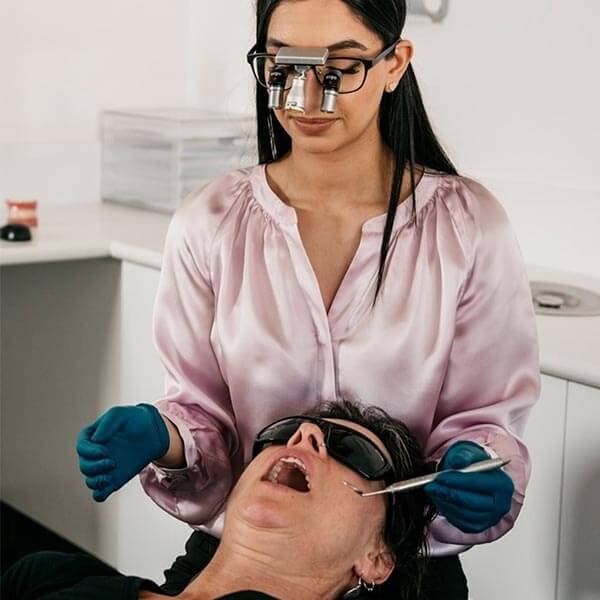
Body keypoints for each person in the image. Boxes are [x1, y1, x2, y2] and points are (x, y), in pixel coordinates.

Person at [75, 0, 540, 598]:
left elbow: (487, 420)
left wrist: (479, 465)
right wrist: (162, 438)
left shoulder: (468, 227)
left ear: (395, 64)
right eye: (282, 66)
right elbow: (201, 414)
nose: (304, 96)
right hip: (246, 555)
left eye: (339, 69)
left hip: (399, 567)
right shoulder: (209, 223)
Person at [4, 400, 437, 600]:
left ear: (376, 559)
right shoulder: (50, 576)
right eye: (281, 433)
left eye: (351, 451)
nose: (304, 435)